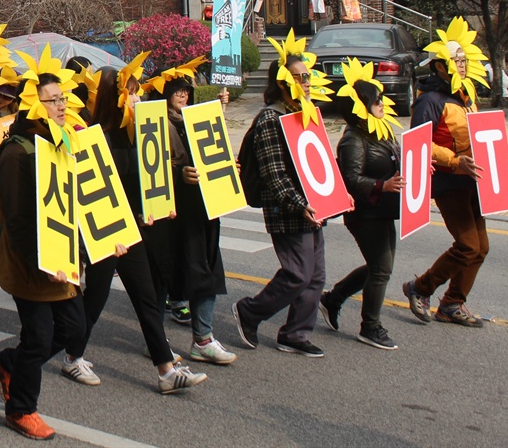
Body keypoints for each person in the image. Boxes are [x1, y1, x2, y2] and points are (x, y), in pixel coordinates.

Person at [70, 63, 209, 392]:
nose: (136, 99)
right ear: (112, 97)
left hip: (132, 227)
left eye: (137, 93)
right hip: (106, 230)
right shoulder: (94, 138)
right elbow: (89, 192)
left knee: (147, 296)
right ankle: (72, 355)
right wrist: (109, 231)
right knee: (97, 296)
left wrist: (165, 196)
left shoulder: (137, 134)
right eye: (130, 94)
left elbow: (150, 178)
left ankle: (165, 370)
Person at [0, 68, 87, 441]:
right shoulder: (17, 152)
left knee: (74, 329)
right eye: (53, 100)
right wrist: (43, 264)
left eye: (63, 98)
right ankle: (21, 409)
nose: (62, 105)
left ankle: (9, 363)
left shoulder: (61, 142)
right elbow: (16, 219)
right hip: (31, 261)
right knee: (40, 337)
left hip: (61, 256)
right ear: (34, 105)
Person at [233, 36, 334, 357]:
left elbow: (320, 165)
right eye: (299, 77)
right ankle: (250, 311)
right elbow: (273, 175)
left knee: (316, 277)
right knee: (298, 274)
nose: (306, 82)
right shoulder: (269, 120)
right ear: (283, 82)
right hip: (288, 210)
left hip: (314, 208)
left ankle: (295, 334)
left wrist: (336, 196)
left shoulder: (305, 114)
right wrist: (300, 204)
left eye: (308, 76)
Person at [402, 19, 490, 328]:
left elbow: (479, 137)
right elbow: (419, 141)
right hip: (449, 181)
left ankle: (452, 304)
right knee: (468, 245)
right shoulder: (430, 99)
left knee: (481, 248)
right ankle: (420, 288)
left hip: (473, 181)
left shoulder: (466, 96)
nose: (463, 65)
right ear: (441, 66)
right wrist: (454, 162)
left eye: (465, 60)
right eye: (457, 61)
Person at [320, 65, 402, 350]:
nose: (382, 104)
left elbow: (394, 162)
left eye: (381, 99)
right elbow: (351, 178)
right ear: (361, 106)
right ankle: (370, 326)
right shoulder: (353, 139)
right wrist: (382, 186)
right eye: (375, 100)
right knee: (381, 269)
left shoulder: (381, 130)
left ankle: (333, 298)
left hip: (384, 210)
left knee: (380, 266)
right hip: (365, 213)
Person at [159, 71, 236, 365]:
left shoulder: (199, 120)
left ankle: (202, 339)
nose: (183, 95)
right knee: (163, 276)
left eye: (186, 91)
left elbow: (215, 155)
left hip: (204, 209)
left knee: (206, 271)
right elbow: (149, 168)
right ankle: (156, 340)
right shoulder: (153, 123)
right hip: (172, 213)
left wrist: (229, 166)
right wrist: (180, 175)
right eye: (177, 90)